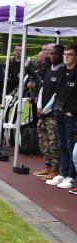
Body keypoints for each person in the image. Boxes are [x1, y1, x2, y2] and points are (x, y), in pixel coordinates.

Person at [48, 44, 77, 190]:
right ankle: (63, 173)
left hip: (71, 116)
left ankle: (71, 176)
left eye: (70, 54)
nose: (66, 56)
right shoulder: (61, 71)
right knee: (62, 144)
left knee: (71, 145)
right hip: (59, 113)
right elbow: (57, 92)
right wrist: (55, 109)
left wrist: (73, 111)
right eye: (65, 54)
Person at [34, 45, 63, 181]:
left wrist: (45, 110)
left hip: (52, 115)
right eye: (51, 54)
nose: (52, 56)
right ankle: (47, 165)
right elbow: (41, 90)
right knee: (43, 141)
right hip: (42, 113)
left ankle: (55, 169)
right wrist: (39, 107)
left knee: (53, 143)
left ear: (61, 55)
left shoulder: (62, 71)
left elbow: (57, 95)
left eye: (55, 54)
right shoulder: (47, 70)